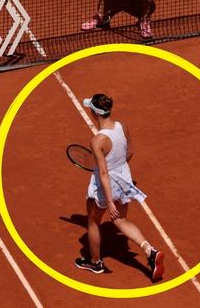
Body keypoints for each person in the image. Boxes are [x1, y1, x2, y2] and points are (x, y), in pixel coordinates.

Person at [74, 93, 164, 282]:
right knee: (121, 220)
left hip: (106, 185)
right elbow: (130, 152)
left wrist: (109, 202)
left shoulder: (97, 141)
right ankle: (150, 250)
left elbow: (104, 174)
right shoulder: (123, 126)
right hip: (123, 176)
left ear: (94, 114)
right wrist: (123, 178)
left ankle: (96, 262)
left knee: (92, 221)